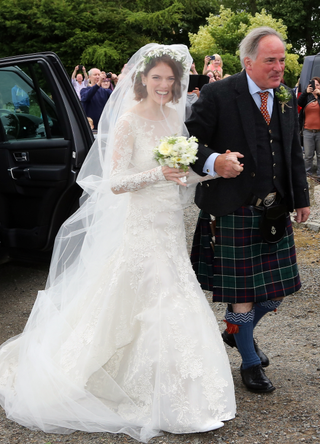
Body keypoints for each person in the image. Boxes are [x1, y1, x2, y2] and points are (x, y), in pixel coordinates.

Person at [0, 44, 236, 443]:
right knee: (153, 299)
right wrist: (156, 174)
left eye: (170, 79)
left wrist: (215, 171)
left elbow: (180, 175)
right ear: (142, 79)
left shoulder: (174, 120)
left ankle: (190, 395)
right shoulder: (128, 120)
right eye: (156, 78)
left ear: (178, 84)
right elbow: (113, 182)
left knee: (174, 296)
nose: (163, 85)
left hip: (168, 224)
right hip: (139, 225)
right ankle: (159, 397)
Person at [186, 27, 310, 394]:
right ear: (248, 62)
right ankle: (249, 363)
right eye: (270, 60)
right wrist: (214, 161)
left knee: (277, 292)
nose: (279, 67)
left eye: (282, 60)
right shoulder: (218, 93)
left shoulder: (285, 96)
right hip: (232, 210)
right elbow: (189, 142)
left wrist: (301, 198)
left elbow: (293, 152)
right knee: (242, 295)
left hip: (275, 209)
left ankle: (236, 330)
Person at [298, 77, 320, 177]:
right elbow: (299, 103)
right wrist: (306, 92)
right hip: (308, 131)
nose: (315, 86)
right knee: (308, 156)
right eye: (313, 84)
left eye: (318, 84)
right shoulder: (307, 97)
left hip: (319, 132)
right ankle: (308, 175)